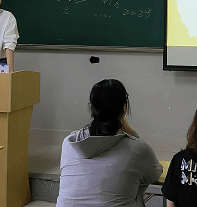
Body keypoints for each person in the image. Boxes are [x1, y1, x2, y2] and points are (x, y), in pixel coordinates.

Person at [56, 79, 162, 207]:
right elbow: (155, 174)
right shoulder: (138, 148)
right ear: (124, 109)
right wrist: (132, 133)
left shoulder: (69, 143)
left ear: (91, 108)